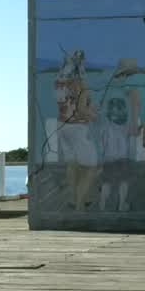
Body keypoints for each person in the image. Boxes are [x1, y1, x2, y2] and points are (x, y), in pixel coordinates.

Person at [54, 50, 98, 210]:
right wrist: (93, 115)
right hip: (78, 127)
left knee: (72, 165)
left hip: (62, 126)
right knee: (91, 167)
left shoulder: (59, 81)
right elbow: (81, 109)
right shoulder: (80, 83)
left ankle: (74, 199)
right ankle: (80, 205)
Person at [99, 82, 142, 212]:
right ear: (123, 111)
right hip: (123, 159)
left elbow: (102, 143)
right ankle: (121, 204)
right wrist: (135, 104)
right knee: (124, 182)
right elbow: (135, 132)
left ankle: (102, 204)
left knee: (107, 183)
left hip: (108, 159)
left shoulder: (105, 125)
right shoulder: (126, 126)